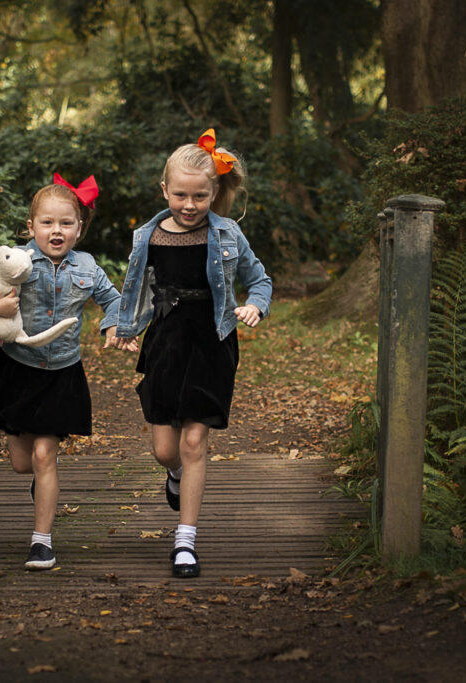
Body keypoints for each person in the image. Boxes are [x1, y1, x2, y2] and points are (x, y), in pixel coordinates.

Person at [108, 130, 272, 578]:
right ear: (165, 190)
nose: (189, 204)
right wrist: (124, 329)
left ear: (214, 192)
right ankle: (175, 475)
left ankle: (186, 542)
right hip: (165, 341)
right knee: (166, 449)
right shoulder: (148, 236)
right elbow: (138, 289)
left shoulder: (228, 234)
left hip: (212, 342)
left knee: (195, 439)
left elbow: (260, 280)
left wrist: (255, 304)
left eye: (200, 195)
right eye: (179, 194)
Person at [0, 173, 123, 571]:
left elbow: (115, 301)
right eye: (47, 223)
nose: (56, 231)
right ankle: (42, 483)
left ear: (79, 228)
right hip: (17, 368)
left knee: (44, 454)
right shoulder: (15, 263)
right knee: (24, 463)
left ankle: (42, 542)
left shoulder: (88, 268)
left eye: (66, 223)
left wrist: (112, 324)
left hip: (61, 371)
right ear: (31, 226)